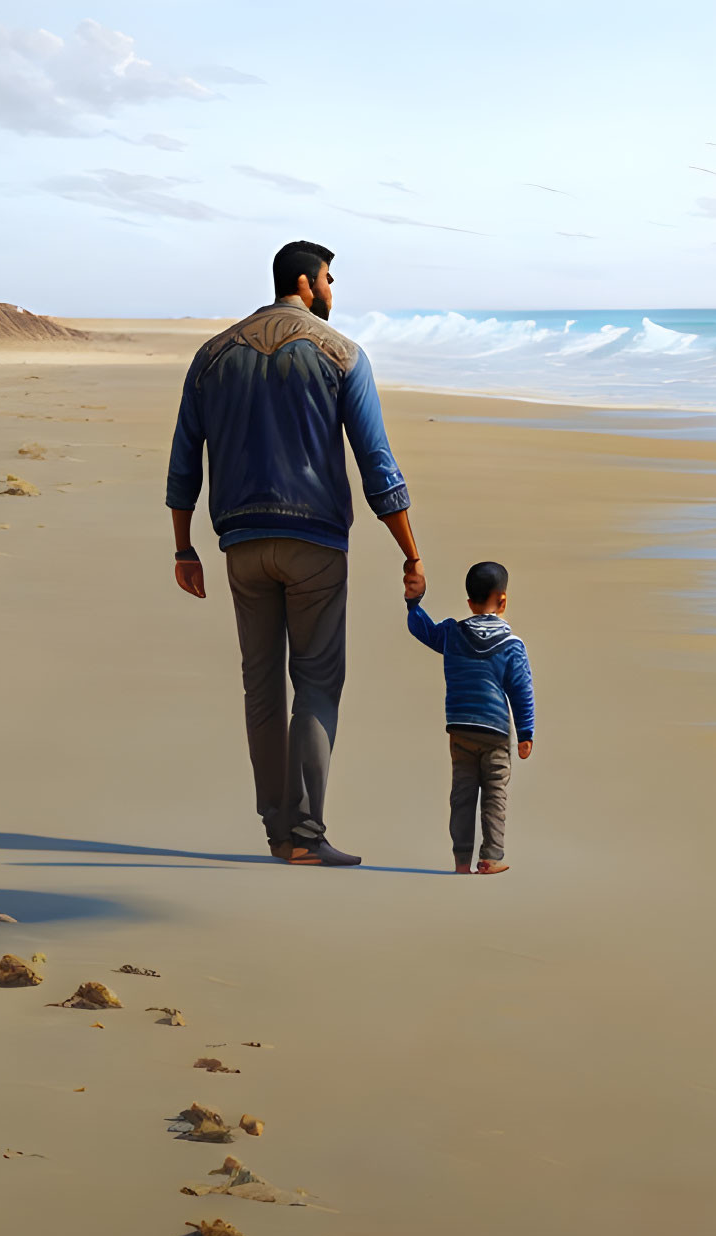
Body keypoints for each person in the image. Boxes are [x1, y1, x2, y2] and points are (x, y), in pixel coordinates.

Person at [167, 241, 425, 867]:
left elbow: (184, 459)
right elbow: (376, 463)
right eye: (331, 279)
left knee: (261, 686)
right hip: (314, 543)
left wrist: (184, 549)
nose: (333, 290)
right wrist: (410, 552)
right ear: (308, 284)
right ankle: (305, 834)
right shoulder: (343, 355)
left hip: (240, 544)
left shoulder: (211, 356)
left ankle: (277, 830)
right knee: (315, 682)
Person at [405, 561, 535, 874]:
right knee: (494, 794)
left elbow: (422, 629)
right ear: (503, 601)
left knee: (461, 796)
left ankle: (461, 861)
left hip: (459, 728)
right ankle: (490, 857)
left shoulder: (452, 634)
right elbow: (521, 691)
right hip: (495, 732)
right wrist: (526, 732)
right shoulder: (512, 646)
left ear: (469, 602)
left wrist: (413, 603)